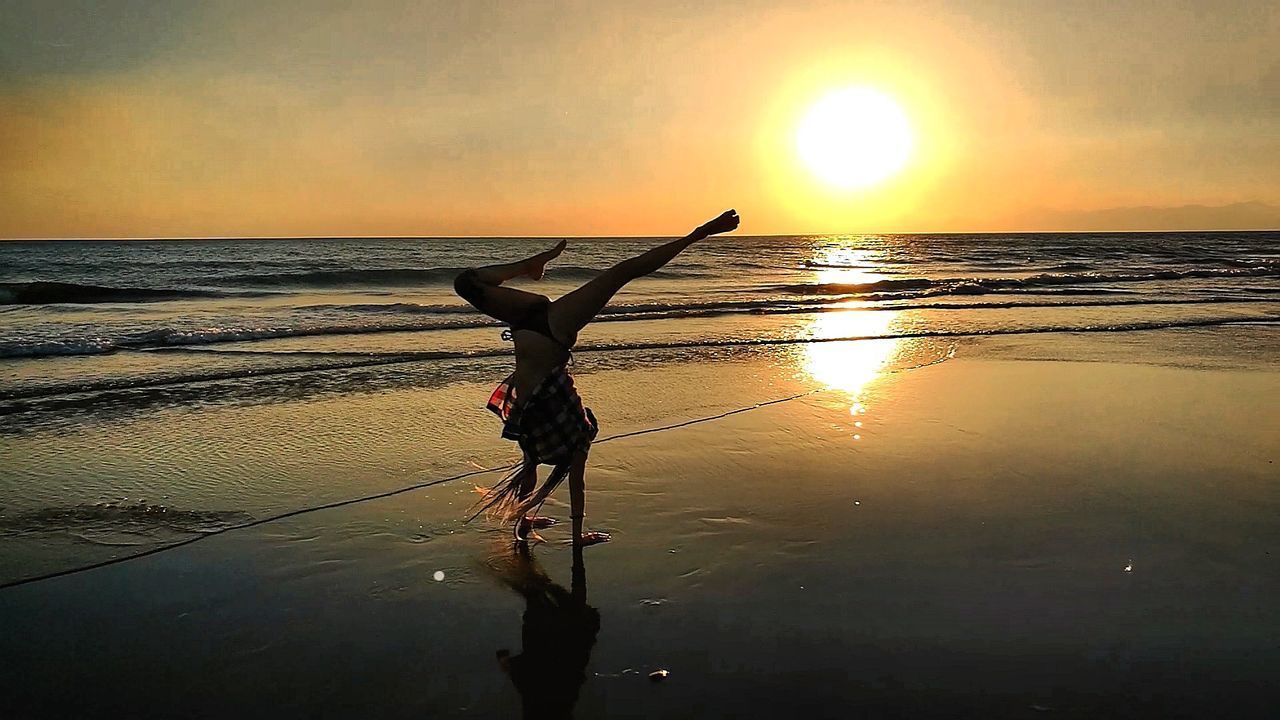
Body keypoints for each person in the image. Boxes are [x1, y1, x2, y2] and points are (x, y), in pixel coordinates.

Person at [456, 210, 741, 545]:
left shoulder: (549, 436)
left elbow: (559, 473)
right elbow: (574, 479)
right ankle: (698, 234)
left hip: (537, 347)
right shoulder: (563, 435)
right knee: (620, 273)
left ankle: (522, 523)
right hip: (542, 340)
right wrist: (577, 537)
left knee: (466, 282)